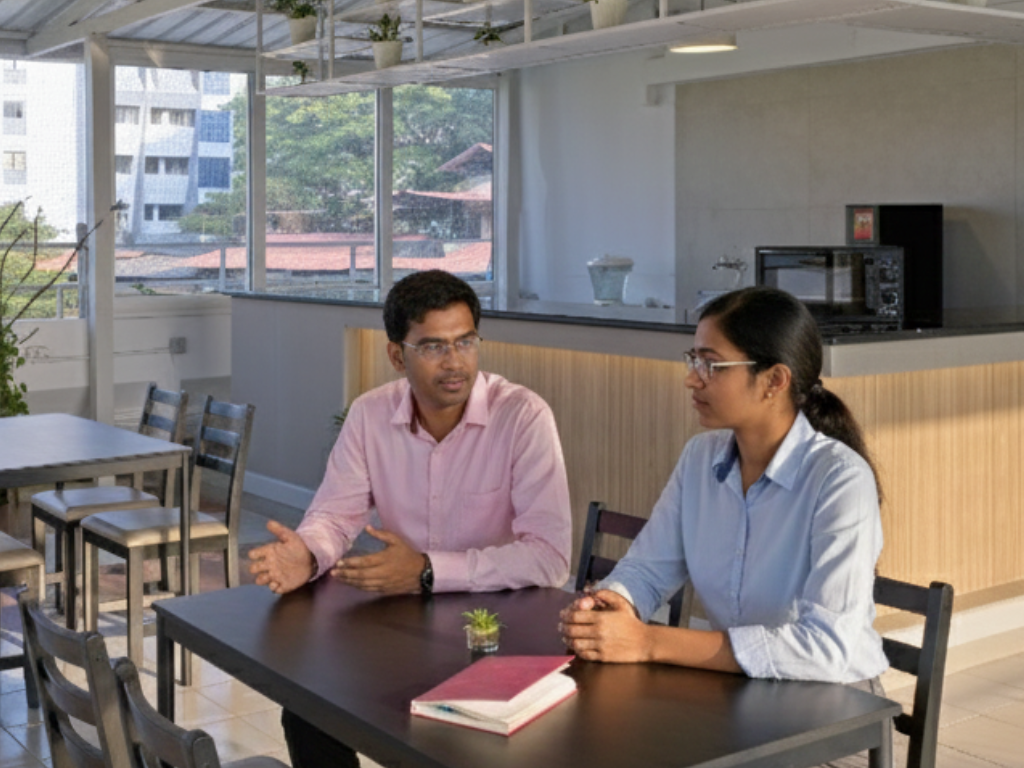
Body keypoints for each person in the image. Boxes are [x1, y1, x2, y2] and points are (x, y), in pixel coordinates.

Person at [248, 269, 571, 768]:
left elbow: (549, 557)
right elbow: (335, 516)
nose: (455, 361)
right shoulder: (370, 414)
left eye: (466, 342)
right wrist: (306, 553)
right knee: (309, 711)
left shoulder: (523, 416)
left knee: (440, 745)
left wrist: (426, 570)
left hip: (499, 629)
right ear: (397, 355)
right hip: (403, 624)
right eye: (433, 346)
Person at [560, 286, 888, 707]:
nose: (691, 378)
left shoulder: (840, 480)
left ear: (774, 381)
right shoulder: (701, 458)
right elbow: (647, 569)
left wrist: (649, 642)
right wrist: (610, 606)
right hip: (736, 694)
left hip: (831, 706)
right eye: (694, 359)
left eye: (712, 365)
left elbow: (826, 647)